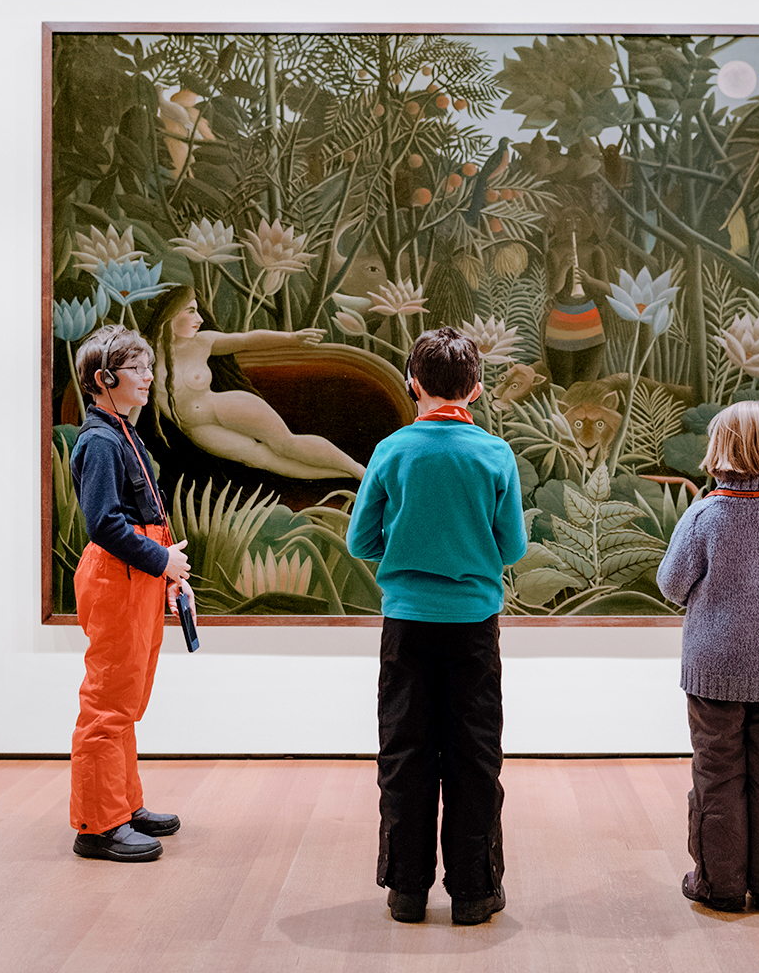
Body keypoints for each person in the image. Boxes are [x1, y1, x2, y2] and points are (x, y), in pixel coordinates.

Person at [346, 327, 528, 926]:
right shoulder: (495, 455)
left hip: (405, 625)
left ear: (412, 383)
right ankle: (475, 893)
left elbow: (360, 540)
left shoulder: (392, 451)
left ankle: (406, 891)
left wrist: (404, 551)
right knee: (474, 756)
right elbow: (511, 549)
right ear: (476, 388)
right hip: (474, 626)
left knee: (405, 752)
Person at [656, 399, 759, 912]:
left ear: (720, 449)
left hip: (713, 675)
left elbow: (671, 584)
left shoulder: (704, 514)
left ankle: (720, 885)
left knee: (718, 773)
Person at [67, 324, 193, 862]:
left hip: (135, 579)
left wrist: (165, 569)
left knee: (127, 700)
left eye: (147, 366)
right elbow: (105, 525)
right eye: (137, 368)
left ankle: (123, 804)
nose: (148, 376)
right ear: (103, 379)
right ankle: (97, 824)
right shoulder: (99, 440)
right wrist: (162, 558)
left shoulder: (121, 431)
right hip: (116, 580)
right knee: (108, 703)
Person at [142, 285, 365, 480]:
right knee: (261, 460)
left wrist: (291, 338)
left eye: (198, 311)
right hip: (198, 429)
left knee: (286, 444)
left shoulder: (203, 342)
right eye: (191, 311)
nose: (199, 319)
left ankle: (358, 471)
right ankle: (347, 475)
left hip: (223, 406)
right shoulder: (144, 355)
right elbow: (134, 400)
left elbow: (245, 340)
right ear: (170, 314)